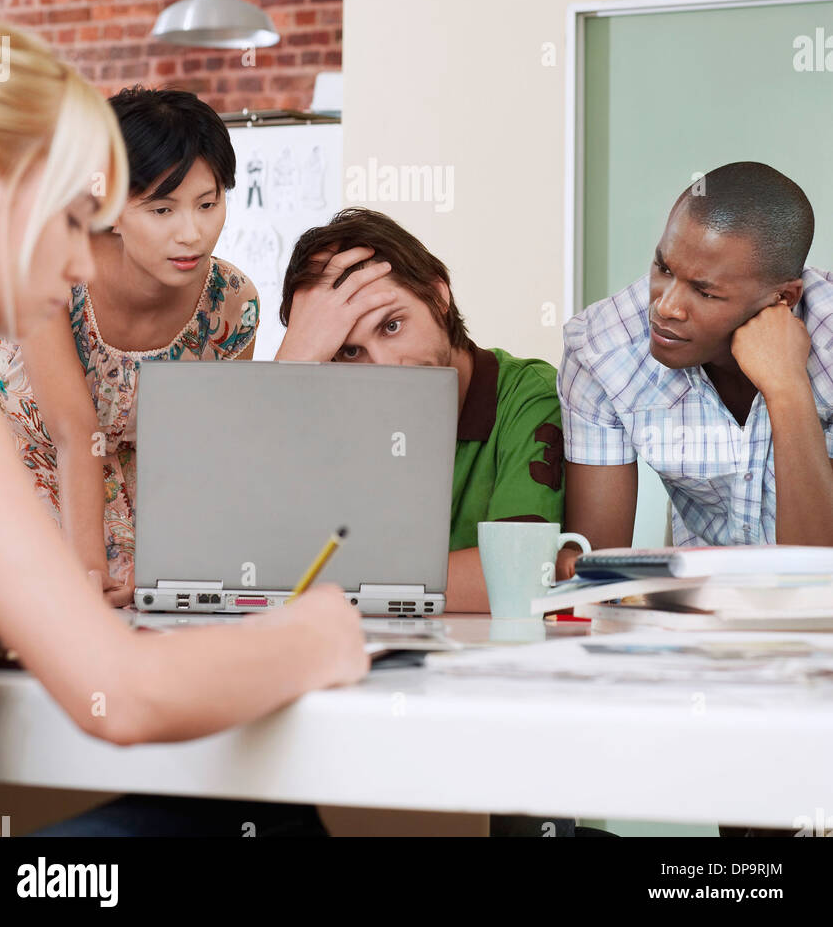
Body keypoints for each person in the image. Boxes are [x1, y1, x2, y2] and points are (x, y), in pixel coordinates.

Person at [0, 19, 368, 836]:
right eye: (75, 219)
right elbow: (122, 697)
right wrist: (322, 631)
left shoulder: (230, 300)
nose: (86, 261)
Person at [0, 86, 259, 605]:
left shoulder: (231, 303)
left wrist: (178, 569)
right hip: (24, 498)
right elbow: (74, 432)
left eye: (208, 203)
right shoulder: (50, 269)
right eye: (162, 210)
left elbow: (206, 453)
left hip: (153, 517)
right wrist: (86, 575)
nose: (192, 234)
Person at [277, 208, 565, 613]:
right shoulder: (334, 410)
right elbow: (253, 559)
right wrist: (293, 364)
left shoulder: (527, 395)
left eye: (391, 326)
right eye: (350, 351)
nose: (383, 367)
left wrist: (333, 580)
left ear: (438, 295)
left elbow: (516, 574)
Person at [556, 162, 833, 579]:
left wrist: (787, 388)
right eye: (663, 268)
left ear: (784, 297)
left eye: (704, 291)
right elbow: (591, 575)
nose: (665, 306)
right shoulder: (601, 350)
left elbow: (820, 575)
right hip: (700, 625)